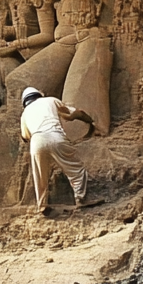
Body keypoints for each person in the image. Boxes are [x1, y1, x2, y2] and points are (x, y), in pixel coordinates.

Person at [19, 86, 95, 215]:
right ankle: (80, 199)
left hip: (36, 141)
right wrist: (90, 121)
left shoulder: (25, 113)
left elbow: (25, 137)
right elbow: (77, 113)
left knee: (40, 175)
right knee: (75, 169)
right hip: (55, 135)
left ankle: (42, 206)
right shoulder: (50, 100)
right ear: (39, 95)